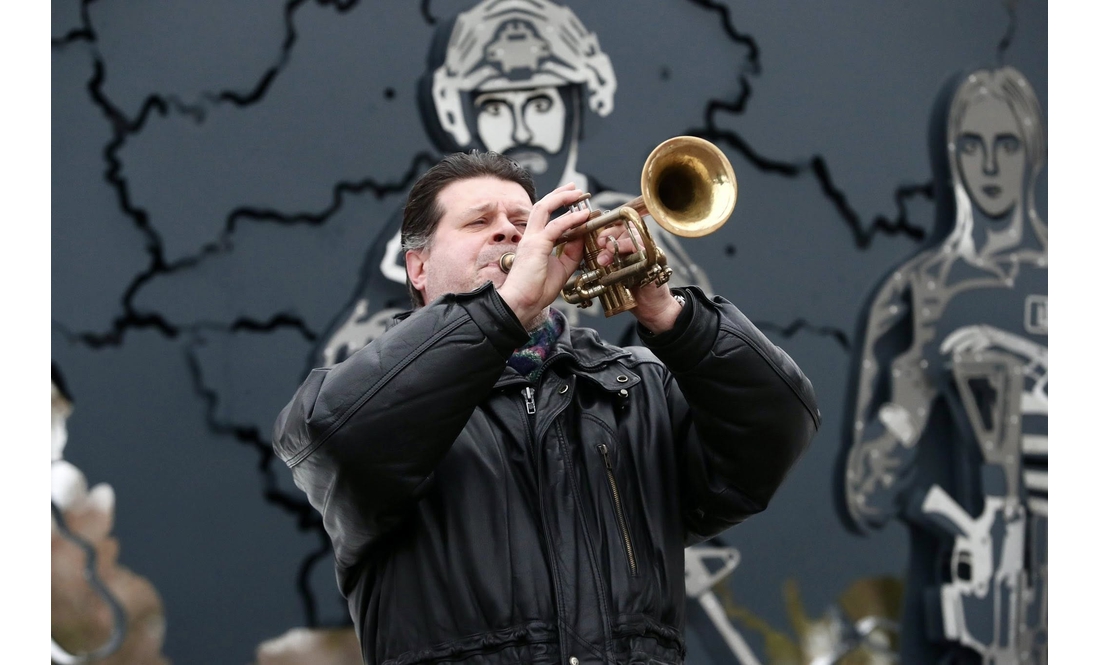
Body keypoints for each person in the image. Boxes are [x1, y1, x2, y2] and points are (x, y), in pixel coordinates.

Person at [274, 150, 819, 665]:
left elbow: (777, 429)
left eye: (521, 218)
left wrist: (668, 312)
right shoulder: (374, 394)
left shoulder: (640, 386)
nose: (509, 231)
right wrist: (503, 310)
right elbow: (333, 437)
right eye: (477, 222)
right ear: (417, 268)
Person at [316, 0, 711, 368]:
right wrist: (501, 312)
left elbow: (708, 389)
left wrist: (665, 314)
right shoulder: (415, 246)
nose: (522, 130)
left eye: (540, 104)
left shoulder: (631, 232)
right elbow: (348, 377)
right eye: (496, 108)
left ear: (578, 104)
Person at [839, 66, 1046, 664]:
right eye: (972, 146)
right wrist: (919, 382)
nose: (989, 166)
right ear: (951, 155)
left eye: (1006, 144)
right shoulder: (917, 295)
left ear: (1033, 149)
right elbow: (866, 495)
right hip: (967, 617)